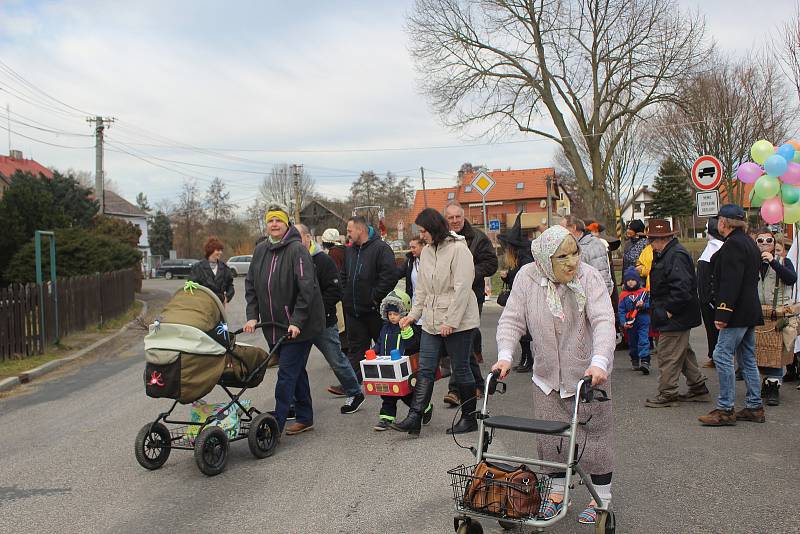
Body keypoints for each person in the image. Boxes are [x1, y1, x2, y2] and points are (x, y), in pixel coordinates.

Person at [492, 225, 616, 526]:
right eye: (563, 256)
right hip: (546, 375)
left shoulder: (589, 277)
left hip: (587, 375)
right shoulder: (527, 277)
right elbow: (511, 319)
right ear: (545, 259)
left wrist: (600, 362)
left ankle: (601, 497)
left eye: (575, 253)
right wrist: (505, 356)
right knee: (551, 439)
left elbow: (603, 320)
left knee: (594, 437)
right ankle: (558, 493)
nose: (572, 261)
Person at [392, 208, 480, 436]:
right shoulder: (427, 252)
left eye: (424, 231)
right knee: (425, 369)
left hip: (459, 322)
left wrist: (451, 321)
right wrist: (412, 315)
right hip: (431, 321)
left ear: (434, 228)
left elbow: (462, 289)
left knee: (461, 369)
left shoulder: (459, 250)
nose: (422, 236)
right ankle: (414, 417)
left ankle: (469, 418)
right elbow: (421, 289)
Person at [244, 205, 324, 435]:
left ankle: (276, 425)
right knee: (296, 372)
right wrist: (252, 316)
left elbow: (306, 289)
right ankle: (305, 417)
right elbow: (251, 285)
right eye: (271, 221)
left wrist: (297, 321)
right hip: (273, 327)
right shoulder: (261, 251)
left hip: (299, 327)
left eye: (279, 220)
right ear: (266, 225)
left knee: (286, 374)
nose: (274, 224)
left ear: (286, 224)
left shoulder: (297, 250)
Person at [698, 205, 765, 426]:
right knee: (747, 358)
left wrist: (723, 312)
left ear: (724, 223)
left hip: (735, 312)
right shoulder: (746, 242)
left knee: (721, 355)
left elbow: (731, 282)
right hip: (748, 310)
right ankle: (754, 406)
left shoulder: (734, 245)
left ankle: (725, 408)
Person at [296, 224, 365, 414]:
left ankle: (354, 392)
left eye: (298, 236)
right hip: (299, 324)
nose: (294, 241)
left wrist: (318, 311)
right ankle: (297, 404)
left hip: (323, 322)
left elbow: (335, 290)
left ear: (308, 237)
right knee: (295, 365)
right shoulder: (292, 260)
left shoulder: (323, 260)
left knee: (336, 359)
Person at [644, 219, 708, 408]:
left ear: (661, 239)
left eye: (652, 240)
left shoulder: (675, 255)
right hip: (676, 313)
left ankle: (668, 393)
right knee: (682, 353)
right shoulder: (668, 253)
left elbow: (682, 288)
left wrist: (669, 311)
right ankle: (698, 387)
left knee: (668, 354)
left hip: (675, 314)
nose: (650, 244)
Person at [442, 201, 498, 407]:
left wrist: (469, 274)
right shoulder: (442, 239)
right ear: (445, 219)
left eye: (458, 217)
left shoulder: (478, 238)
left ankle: (455, 389)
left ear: (463, 216)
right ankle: (478, 384)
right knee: (463, 342)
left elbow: (491, 264)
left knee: (462, 340)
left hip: (472, 296)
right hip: (448, 298)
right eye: (451, 217)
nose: (455, 221)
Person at [341, 216, 399, 383]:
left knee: (384, 346)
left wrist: (374, 298)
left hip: (375, 310)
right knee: (356, 349)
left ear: (361, 230)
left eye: (349, 231)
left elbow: (389, 276)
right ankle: (351, 384)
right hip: (353, 311)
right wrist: (346, 296)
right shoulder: (350, 250)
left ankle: (389, 380)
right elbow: (344, 275)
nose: (348, 234)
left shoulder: (381, 249)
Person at [372, 289, 431, 431]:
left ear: (403, 313)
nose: (392, 317)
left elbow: (412, 344)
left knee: (406, 394)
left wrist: (406, 331)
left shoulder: (409, 327)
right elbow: (380, 342)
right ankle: (386, 418)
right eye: (390, 314)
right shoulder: (385, 327)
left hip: (403, 367)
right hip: (387, 366)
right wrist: (374, 351)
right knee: (387, 393)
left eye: (395, 314)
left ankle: (425, 407)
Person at [753, 227, 797, 406]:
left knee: (776, 353)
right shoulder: (752, 262)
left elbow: (791, 279)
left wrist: (774, 263)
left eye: (768, 241)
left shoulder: (783, 261)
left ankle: (773, 388)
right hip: (758, 313)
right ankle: (765, 382)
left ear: (774, 243)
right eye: (760, 241)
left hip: (777, 314)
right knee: (760, 352)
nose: (764, 244)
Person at [497, 213, 534, 373]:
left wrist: (509, 275)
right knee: (523, 333)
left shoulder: (524, 259)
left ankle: (528, 359)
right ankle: (526, 358)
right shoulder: (521, 258)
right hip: (521, 297)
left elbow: (522, 277)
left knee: (524, 333)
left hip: (525, 300)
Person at [561, 215, 614, 294]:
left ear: (573, 227)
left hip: (593, 298)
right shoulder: (572, 245)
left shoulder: (594, 245)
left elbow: (601, 276)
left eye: (562, 228)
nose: (560, 232)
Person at [697, 217, 724, 368]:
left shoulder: (720, 247)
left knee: (717, 329)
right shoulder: (710, 246)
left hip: (712, 298)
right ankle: (713, 355)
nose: (705, 231)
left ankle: (718, 356)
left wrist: (712, 296)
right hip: (705, 297)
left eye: (708, 228)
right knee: (710, 328)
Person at [619, 268, 651, 374]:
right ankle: (634, 359)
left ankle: (645, 361)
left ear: (637, 280)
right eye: (628, 280)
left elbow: (650, 306)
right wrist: (623, 322)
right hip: (630, 323)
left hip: (643, 321)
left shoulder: (643, 293)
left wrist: (643, 305)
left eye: (633, 279)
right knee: (633, 343)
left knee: (643, 340)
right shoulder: (623, 295)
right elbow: (621, 311)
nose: (630, 282)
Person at [190, 237, 235, 305]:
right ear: (210, 250)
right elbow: (191, 286)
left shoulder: (225, 269)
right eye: (218, 250)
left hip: (219, 306)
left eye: (221, 250)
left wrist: (227, 298)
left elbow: (230, 286)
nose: (220, 252)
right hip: (202, 306)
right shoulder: (197, 268)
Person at [396, 235, 424, 301]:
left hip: (427, 304)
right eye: (410, 247)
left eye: (414, 247)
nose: (411, 250)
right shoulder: (410, 261)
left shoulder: (431, 261)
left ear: (423, 246)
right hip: (413, 303)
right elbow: (397, 273)